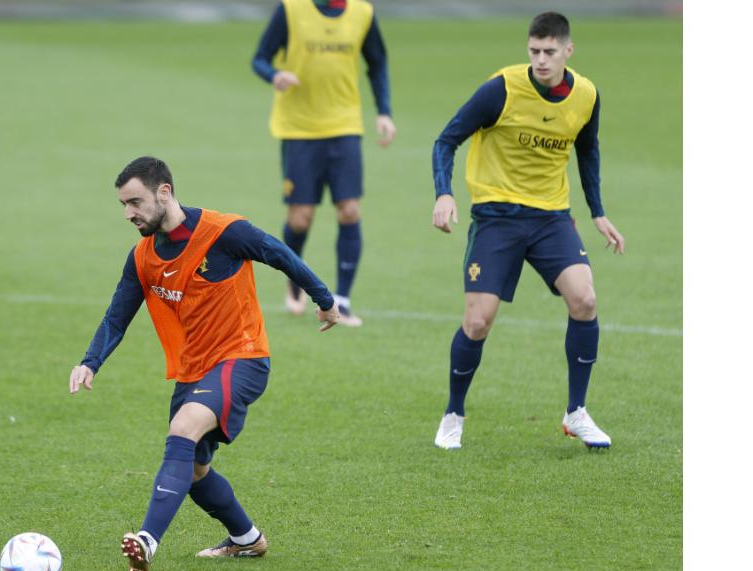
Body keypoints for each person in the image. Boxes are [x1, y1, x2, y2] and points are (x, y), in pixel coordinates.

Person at [69, 156, 340, 571]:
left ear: (164, 192)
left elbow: (278, 253)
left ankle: (147, 540)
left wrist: (324, 300)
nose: (128, 213)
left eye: (135, 202)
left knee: (182, 430)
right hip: (193, 371)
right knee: (193, 469)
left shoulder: (223, 232)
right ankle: (247, 539)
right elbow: (117, 316)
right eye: (123, 204)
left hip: (242, 358)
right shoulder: (142, 257)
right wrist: (90, 362)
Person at [429, 12, 625, 451]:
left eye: (550, 52)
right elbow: (446, 140)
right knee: (477, 321)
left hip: (551, 218)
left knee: (585, 299)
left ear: (568, 51)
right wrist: (444, 193)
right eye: (534, 51)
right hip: (496, 218)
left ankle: (576, 412)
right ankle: (453, 414)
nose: (540, 60)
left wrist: (597, 212)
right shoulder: (501, 89)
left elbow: (588, 151)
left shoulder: (586, 95)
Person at [252, 0, 396, 327]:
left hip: (345, 127)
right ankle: (295, 278)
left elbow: (377, 62)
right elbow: (259, 58)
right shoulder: (290, 9)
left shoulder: (362, 13)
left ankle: (342, 301)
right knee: (300, 219)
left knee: (350, 210)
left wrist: (384, 111)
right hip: (299, 129)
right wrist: (274, 75)